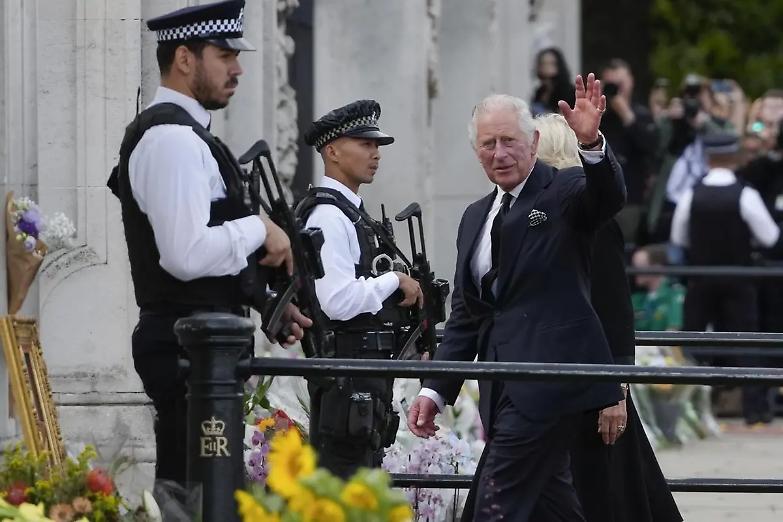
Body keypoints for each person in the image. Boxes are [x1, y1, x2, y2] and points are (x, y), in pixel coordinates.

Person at [108, 0, 311, 485]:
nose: (238, 68)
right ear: (184, 59)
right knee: (198, 499)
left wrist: (269, 302)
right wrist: (260, 228)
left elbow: (213, 253)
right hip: (187, 353)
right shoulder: (172, 140)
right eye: (224, 54)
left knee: (206, 495)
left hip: (202, 352)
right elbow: (185, 255)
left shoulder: (191, 137)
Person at [408, 74, 625, 522]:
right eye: (488, 144)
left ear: (534, 141)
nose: (500, 153)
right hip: (500, 385)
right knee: (554, 505)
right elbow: (467, 316)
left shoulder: (564, 191)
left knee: (494, 502)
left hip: (549, 382)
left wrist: (593, 146)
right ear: (476, 152)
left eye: (509, 140)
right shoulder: (474, 218)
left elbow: (607, 198)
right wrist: (435, 389)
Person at [536, 114, 682, 522]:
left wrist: (615, 390)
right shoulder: (530, 216)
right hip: (546, 385)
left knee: (608, 494)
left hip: (590, 386)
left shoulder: (594, 222)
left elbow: (614, 309)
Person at [295, 99, 425, 479]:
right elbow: (336, 301)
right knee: (346, 486)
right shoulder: (330, 216)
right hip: (347, 381)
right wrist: (394, 281)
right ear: (332, 151)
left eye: (378, 146)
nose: (376, 154)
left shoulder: (350, 212)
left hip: (362, 379)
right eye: (365, 144)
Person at [671, 131, 781, 424]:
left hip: (701, 278)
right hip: (738, 279)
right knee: (747, 345)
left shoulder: (691, 194)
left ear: (707, 158)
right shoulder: (745, 194)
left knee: (693, 345)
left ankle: (683, 414)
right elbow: (770, 237)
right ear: (734, 157)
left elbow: (678, 237)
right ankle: (755, 411)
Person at [599, 59, 659, 243]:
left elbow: (651, 146)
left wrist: (626, 114)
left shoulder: (640, 114)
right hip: (600, 198)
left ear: (631, 82)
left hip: (630, 198)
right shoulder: (598, 116)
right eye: (612, 85)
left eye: (620, 84)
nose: (616, 90)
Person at [530, 47, 576, 116]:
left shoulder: (568, 91)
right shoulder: (539, 91)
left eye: (551, 63)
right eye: (543, 63)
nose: (546, 67)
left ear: (559, 65)